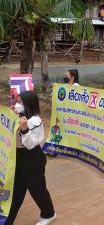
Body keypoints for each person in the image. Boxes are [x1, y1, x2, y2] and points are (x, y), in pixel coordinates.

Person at [7, 91, 56, 225]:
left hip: (32, 157)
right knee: (16, 189)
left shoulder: (35, 121)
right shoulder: (19, 116)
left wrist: (24, 129)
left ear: (27, 104)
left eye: (20, 102)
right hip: (18, 156)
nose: (17, 105)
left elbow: (30, 144)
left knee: (37, 188)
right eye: (16, 101)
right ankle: (7, 218)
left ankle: (49, 214)